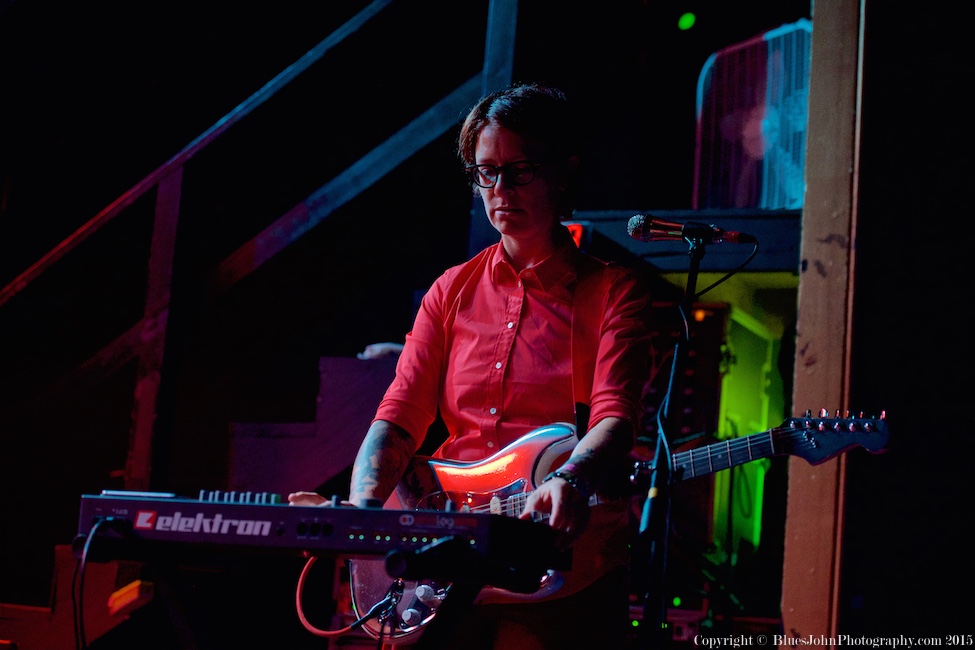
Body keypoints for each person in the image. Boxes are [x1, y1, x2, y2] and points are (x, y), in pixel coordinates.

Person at [289, 82, 654, 649]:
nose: (500, 189)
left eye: (521, 170)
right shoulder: (451, 290)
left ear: (565, 171)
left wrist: (569, 479)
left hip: (563, 573)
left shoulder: (614, 292)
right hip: (449, 562)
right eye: (487, 172)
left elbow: (615, 417)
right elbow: (399, 416)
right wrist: (362, 512)